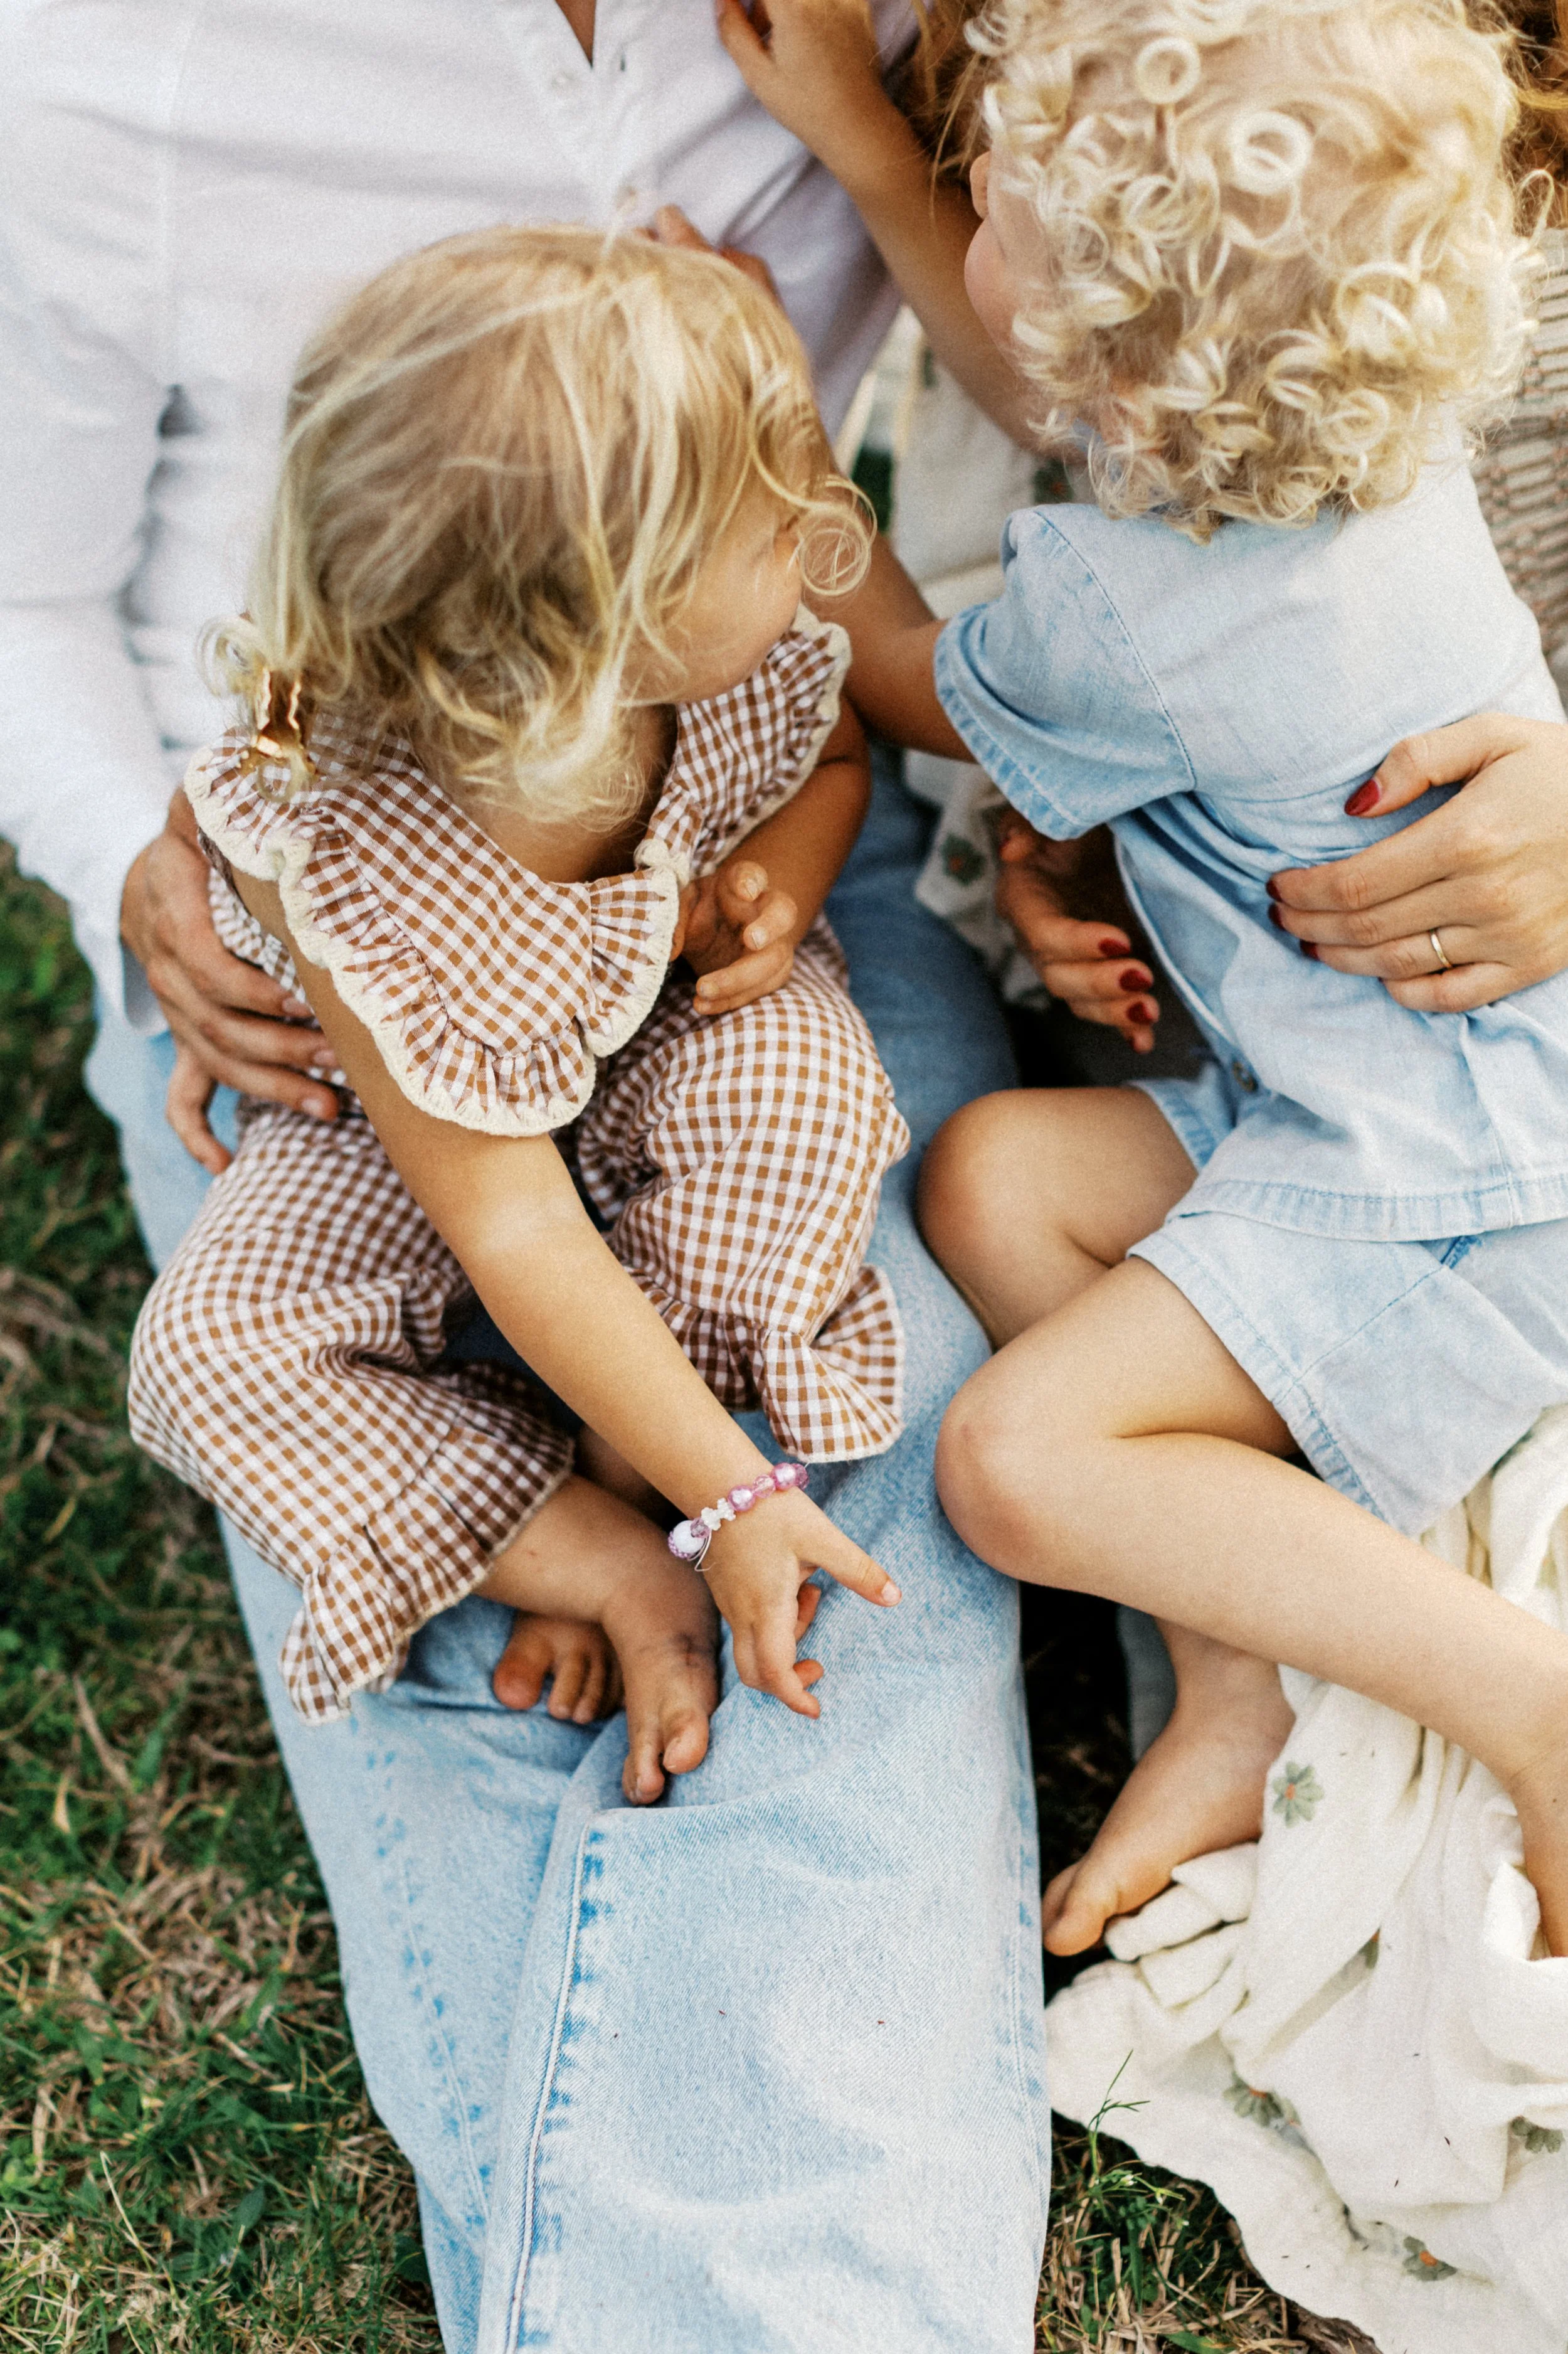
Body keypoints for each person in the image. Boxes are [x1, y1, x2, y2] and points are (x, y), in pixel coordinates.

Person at [3, 6, 1568, 2345]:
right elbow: (502, 1196)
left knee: (881, 1531)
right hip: (352, 940)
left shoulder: (1011, 136)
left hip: (765, 884)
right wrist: (130, 844)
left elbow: (852, 672)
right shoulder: (99, 80)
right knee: (473, 1510)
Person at [816, 0, 1568, 1958]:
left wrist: (769, 488)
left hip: (1451, 1192)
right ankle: (1230, 1687)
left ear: (1116, 375)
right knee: (994, 1176)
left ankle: (1525, 1703)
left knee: (1010, 1460)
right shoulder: (1362, 446)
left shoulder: (1131, 602)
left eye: (1011, 212)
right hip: (1397, 1095)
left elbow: (909, 682)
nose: (975, 208)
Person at [129, 223, 911, 1784]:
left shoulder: (735, 662)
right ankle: (586, 1543)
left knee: (800, 1117)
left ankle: (634, 1446)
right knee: (212, 1354)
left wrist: (785, 884)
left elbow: (831, 758)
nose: (827, 529)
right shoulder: (353, 856)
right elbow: (514, 1227)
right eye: (777, 523)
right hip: (403, 1117)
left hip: (668, 1020)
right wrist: (733, 1504)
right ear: (595, 626)